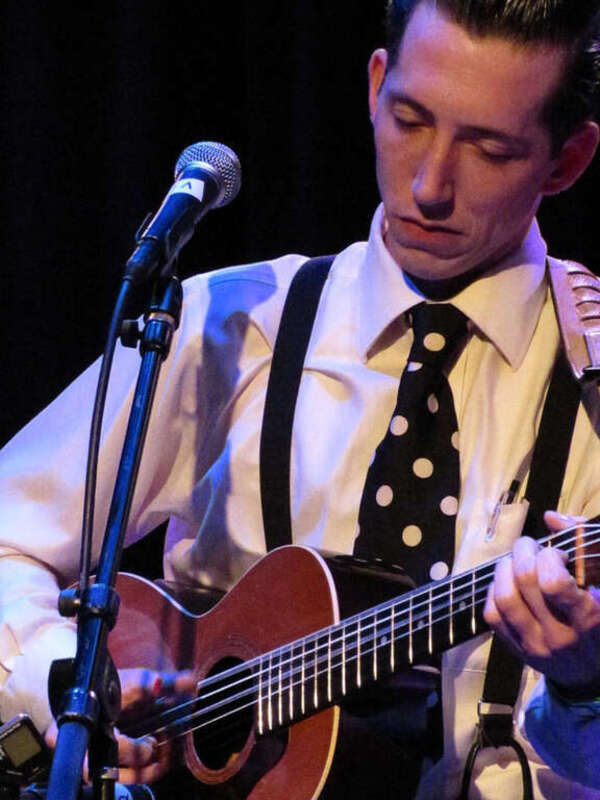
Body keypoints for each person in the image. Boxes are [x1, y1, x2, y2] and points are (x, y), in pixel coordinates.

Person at [2, 0, 600, 797]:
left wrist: (584, 688)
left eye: (489, 150)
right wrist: (69, 688)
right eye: (410, 121)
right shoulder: (229, 324)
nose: (429, 185)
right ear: (375, 85)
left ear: (566, 161)